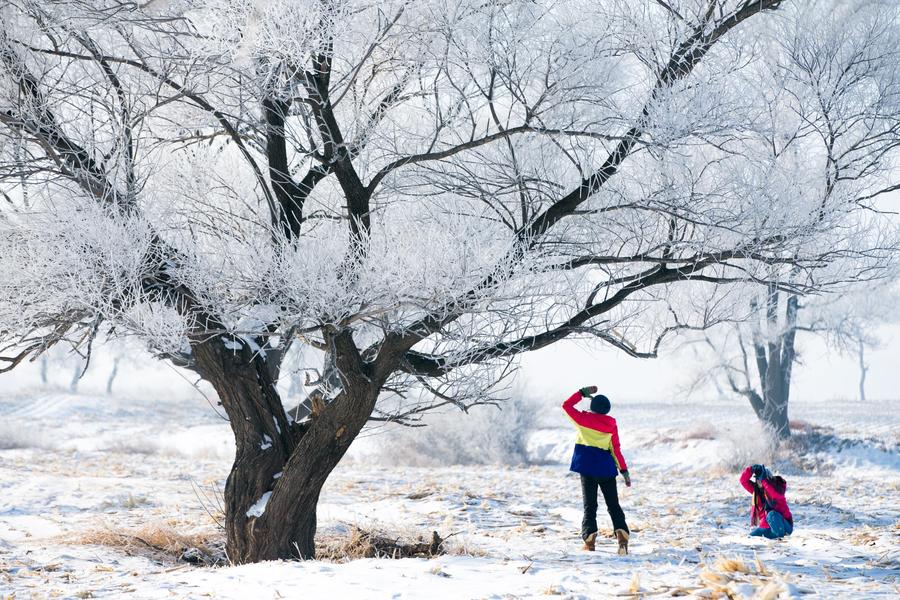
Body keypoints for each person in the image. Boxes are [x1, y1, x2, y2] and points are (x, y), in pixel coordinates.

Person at [562, 385, 631, 555]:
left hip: (587, 469)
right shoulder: (611, 426)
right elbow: (616, 449)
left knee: (590, 506)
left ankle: (590, 541)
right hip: (606, 470)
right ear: (607, 410)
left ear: (592, 408)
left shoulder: (582, 420)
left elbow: (566, 406)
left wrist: (582, 393)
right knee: (613, 505)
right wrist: (624, 471)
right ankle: (622, 537)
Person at [739, 464, 794, 539]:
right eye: (757, 478)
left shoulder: (778, 488)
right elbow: (743, 481)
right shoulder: (757, 491)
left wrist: (764, 479)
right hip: (767, 528)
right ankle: (775, 539)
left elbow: (774, 494)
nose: (759, 481)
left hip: (785, 526)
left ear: (767, 479)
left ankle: (780, 542)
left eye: (760, 478)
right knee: (750, 538)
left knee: (771, 514)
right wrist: (751, 469)